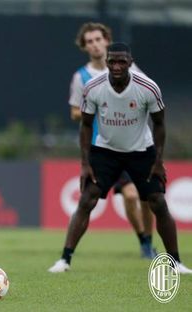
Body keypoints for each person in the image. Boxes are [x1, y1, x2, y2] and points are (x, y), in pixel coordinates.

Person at [48, 42, 192, 274]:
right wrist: (85, 163)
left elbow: (159, 124)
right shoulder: (93, 87)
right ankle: (64, 260)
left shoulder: (147, 87)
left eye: (121, 61)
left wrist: (158, 161)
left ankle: (175, 261)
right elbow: (85, 126)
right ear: (106, 63)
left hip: (141, 152)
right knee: (87, 200)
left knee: (158, 202)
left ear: (130, 62)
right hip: (106, 152)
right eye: (112, 61)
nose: (116, 66)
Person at [67, 22, 156, 259]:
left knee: (143, 197)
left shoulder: (130, 68)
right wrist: (97, 107)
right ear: (84, 47)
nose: (95, 45)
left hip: (134, 144)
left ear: (106, 40)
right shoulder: (82, 77)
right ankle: (143, 241)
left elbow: (148, 96)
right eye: (90, 42)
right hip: (102, 148)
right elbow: (75, 112)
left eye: (98, 39)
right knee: (125, 196)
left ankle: (147, 241)